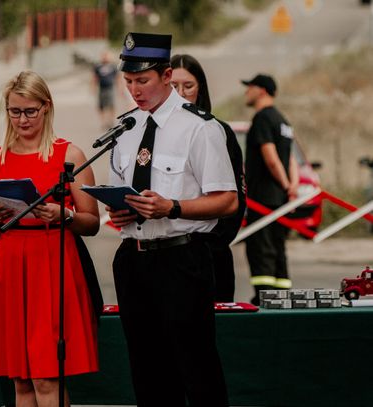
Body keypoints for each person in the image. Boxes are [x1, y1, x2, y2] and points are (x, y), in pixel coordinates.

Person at [107, 32, 238, 407]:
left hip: (181, 259)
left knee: (195, 369)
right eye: (129, 81)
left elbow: (227, 200)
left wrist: (173, 207)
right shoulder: (126, 129)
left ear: (166, 75)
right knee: (147, 372)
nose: (135, 90)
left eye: (143, 81)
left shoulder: (199, 127)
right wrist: (117, 210)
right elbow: (120, 191)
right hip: (134, 257)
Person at [0, 70, 100, 407]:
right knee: (21, 380)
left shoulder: (69, 155)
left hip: (52, 264)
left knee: (46, 376)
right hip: (12, 267)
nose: (22, 119)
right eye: (14, 112)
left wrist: (66, 216)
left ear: (46, 108)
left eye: (30, 111)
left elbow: (92, 223)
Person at [170, 54, 246, 302]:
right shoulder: (150, 132)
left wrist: (210, 245)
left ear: (200, 88)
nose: (180, 93)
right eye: (173, 86)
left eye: (188, 86)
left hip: (207, 255)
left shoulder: (217, 131)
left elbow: (235, 199)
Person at [241, 73, 299, 306]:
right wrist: (291, 187)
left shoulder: (262, 119)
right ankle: (281, 296)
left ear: (262, 90)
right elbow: (291, 159)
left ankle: (264, 297)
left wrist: (284, 183)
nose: (246, 92)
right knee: (278, 247)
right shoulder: (283, 121)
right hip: (281, 198)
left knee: (261, 249)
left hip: (263, 198)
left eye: (250, 87)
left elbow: (271, 157)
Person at [92, 50, 118, 129]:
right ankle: (103, 122)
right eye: (103, 56)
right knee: (101, 106)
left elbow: (117, 77)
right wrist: (93, 88)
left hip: (110, 88)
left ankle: (111, 121)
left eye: (106, 56)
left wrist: (120, 88)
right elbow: (94, 78)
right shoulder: (98, 66)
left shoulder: (113, 66)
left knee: (111, 105)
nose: (105, 57)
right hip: (101, 88)